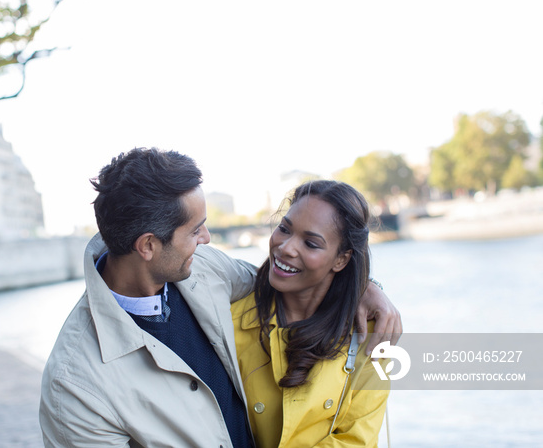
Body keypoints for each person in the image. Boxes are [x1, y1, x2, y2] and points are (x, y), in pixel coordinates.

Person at [39, 148, 400, 447]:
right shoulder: (74, 384)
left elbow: (287, 279)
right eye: (196, 230)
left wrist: (365, 288)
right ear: (148, 245)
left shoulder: (206, 270)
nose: (208, 238)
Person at [232, 180, 392, 447]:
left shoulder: (371, 334)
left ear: (341, 259)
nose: (286, 247)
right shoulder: (229, 322)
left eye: (311, 243)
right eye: (284, 229)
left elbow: (357, 439)